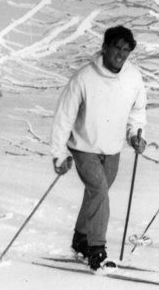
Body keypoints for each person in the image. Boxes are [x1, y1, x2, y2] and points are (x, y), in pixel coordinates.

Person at [50, 25, 148, 270]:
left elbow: (137, 112)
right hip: (84, 147)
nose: (121, 54)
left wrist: (136, 135)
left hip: (113, 149)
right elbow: (64, 116)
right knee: (100, 191)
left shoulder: (133, 77)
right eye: (117, 48)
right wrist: (59, 153)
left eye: (126, 50)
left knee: (97, 194)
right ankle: (97, 250)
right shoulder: (84, 78)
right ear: (105, 47)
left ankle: (80, 238)